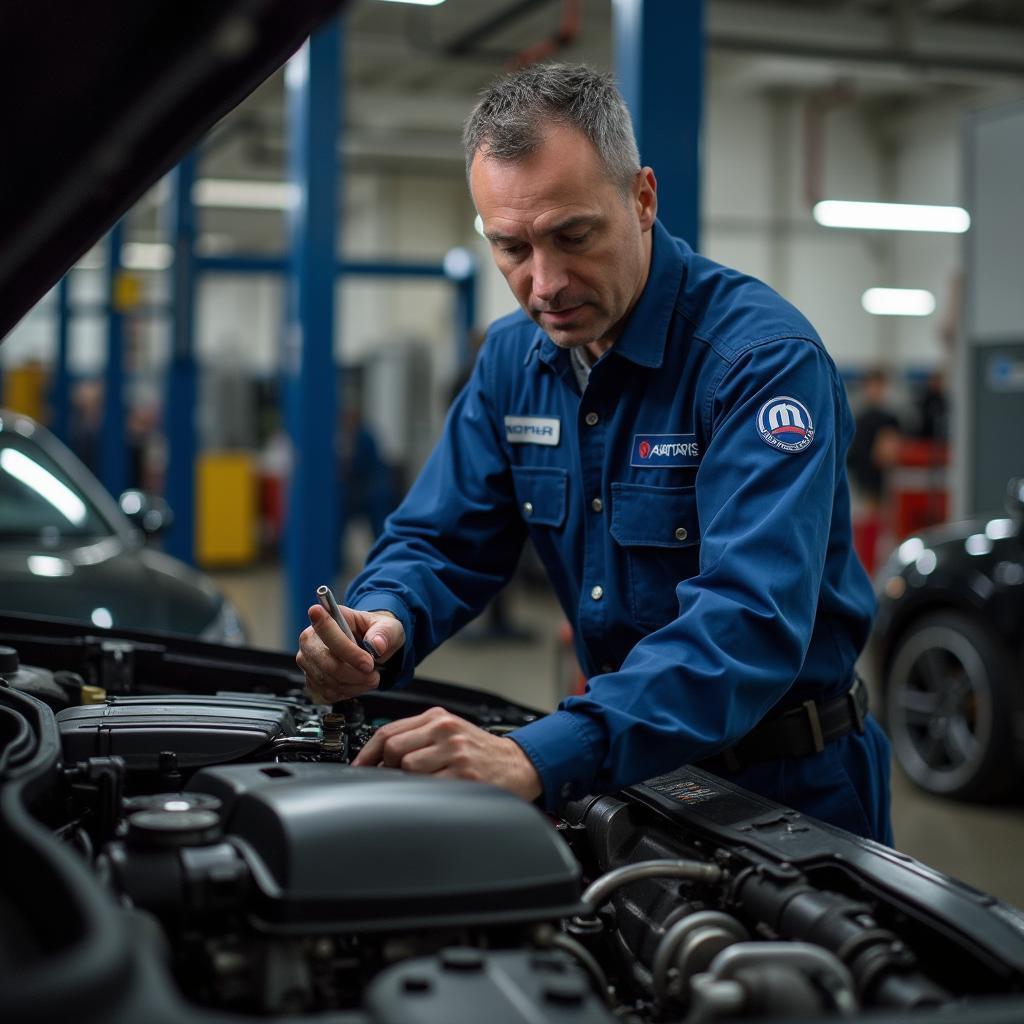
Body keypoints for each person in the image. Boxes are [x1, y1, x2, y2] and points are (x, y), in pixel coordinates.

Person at [296, 63, 892, 844]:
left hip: (794, 788)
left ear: (642, 199)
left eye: (572, 236)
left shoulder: (759, 362)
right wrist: (382, 622)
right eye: (510, 247)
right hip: (630, 770)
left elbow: (747, 621)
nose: (543, 283)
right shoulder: (513, 361)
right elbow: (440, 540)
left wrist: (539, 753)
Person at [847, 368, 902, 575]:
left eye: (879, 386)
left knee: (885, 529)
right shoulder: (859, 419)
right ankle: (865, 569)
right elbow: (853, 454)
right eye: (872, 386)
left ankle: (883, 570)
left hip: (887, 483)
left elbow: (894, 453)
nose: (875, 391)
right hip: (863, 481)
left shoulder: (891, 419)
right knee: (866, 526)